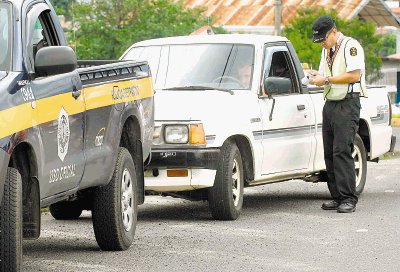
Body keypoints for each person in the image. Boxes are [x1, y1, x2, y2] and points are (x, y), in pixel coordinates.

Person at [309, 16, 367, 213]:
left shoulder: (351, 46)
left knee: (342, 150)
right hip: (331, 103)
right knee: (330, 152)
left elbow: (354, 75)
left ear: (333, 31)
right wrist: (314, 77)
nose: (322, 44)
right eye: (319, 41)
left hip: (347, 103)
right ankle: (337, 196)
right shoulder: (327, 51)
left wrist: (325, 80)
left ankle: (349, 198)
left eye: (324, 39)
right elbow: (323, 74)